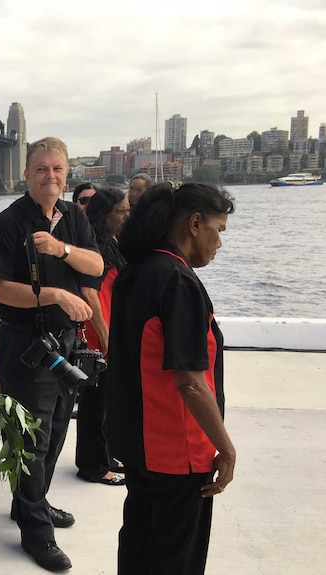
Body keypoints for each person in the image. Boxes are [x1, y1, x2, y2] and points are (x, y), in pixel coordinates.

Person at [0, 136, 103, 572]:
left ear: (67, 173)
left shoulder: (73, 217)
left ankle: (30, 503)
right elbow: (0, 290)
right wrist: (53, 292)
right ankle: (36, 531)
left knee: (55, 432)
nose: (49, 176)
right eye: (41, 169)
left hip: (66, 342)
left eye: (57, 169)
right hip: (26, 344)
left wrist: (61, 250)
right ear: (27, 173)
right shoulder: (10, 222)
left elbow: (96, 266)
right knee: (30, 439)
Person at [107, 182, 236, 575]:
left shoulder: (136, 272)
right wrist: (225, 448)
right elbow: (191, 382)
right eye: (219, 230)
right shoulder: (178, 282)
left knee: (139, 548)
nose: (219, 243)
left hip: (141, 448)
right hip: (179, 453)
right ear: (195, 223)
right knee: (176, 560)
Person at [75, 188, 129, 486]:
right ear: (105, 214)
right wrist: (107, 339)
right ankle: (93, 465)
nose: (126, 215)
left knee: (106, 403)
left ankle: (104, 455)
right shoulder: (95, 248)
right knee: (95, 405)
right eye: (121, 211)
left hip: (109, 330)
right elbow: (91, 295)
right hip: (99, 336)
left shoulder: (110, 243)